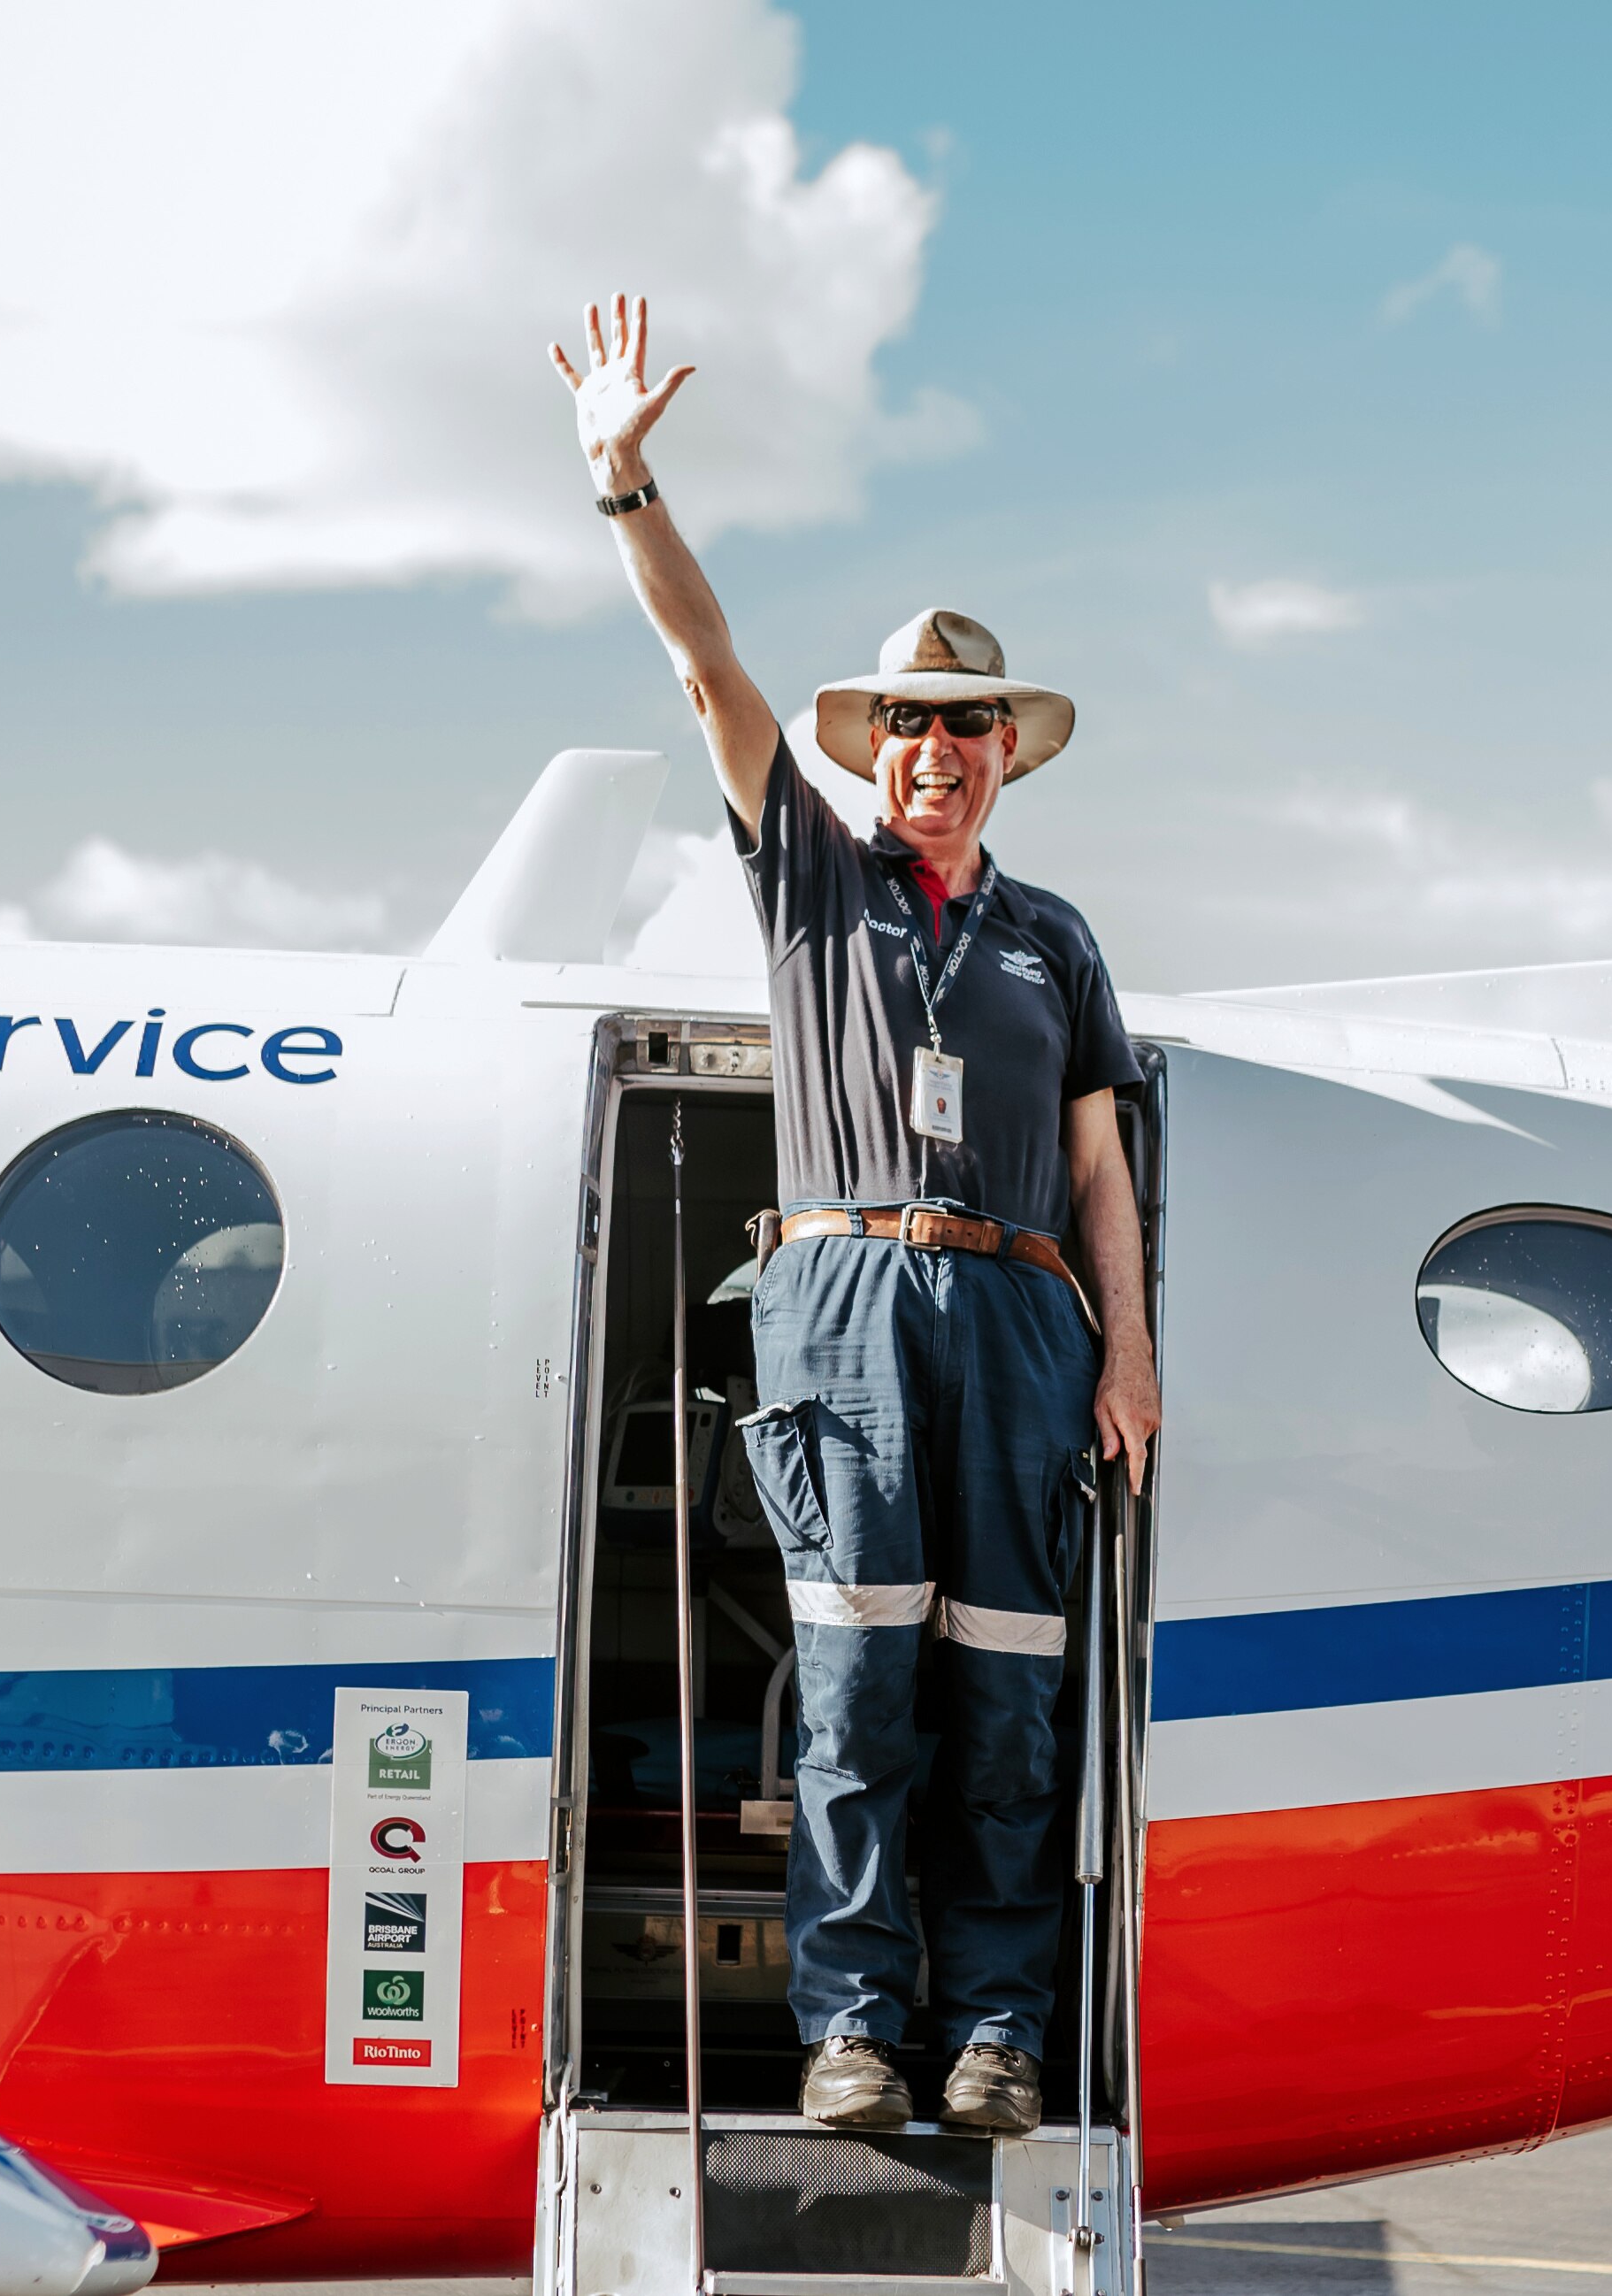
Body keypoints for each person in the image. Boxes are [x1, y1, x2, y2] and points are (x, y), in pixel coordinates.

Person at [551, 296, 1162, 2137]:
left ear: (1005, 758)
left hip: (1019, 1316)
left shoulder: (1054, 938)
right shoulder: (808, 874)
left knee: (1005, 1704)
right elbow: (704, 665)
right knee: (851, 1693)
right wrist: (622, 478)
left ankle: (990, 2031)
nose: (937, 753)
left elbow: (1100, 1169)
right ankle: (853, 2028)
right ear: (872, 748)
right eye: (909, 725)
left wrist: (1126, 1355)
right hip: (844, 1303)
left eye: (968, 730)